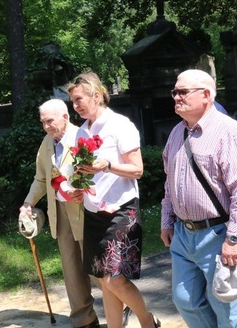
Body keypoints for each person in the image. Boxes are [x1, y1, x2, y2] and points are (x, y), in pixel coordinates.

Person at [161, 69, 237, 327]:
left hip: (217, 233)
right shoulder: (176, 133)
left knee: (226, 306)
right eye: (174, 92)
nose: (176, 97)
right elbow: (169, 182)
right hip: (183, 235)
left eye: (182, 92)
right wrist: (166, 221)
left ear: (206, 95)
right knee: (185, 300)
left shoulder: (229, 131)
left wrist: (234, 237)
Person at [67, 72, 160, 328]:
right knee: (104, 281)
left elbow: (137, 170)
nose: (75, 106)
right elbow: (85, 173)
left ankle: (147, 322)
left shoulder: (120, 125)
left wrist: (107, 165)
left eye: (78, 99)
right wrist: (79, 188)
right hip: (93, 212)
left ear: (96, 96)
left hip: (122, 210)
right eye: (73, 101)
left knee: (114, 280)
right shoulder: (81, 132)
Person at [20, 99, 99, 328]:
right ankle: (84, 320)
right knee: (71, 268)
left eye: (50, 121)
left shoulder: (82, 136)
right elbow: (41, 178)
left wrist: (82, 190)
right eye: (43, 122)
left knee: (95, 267)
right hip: (60, 212)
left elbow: (97, 174)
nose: (46, 126)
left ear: (65, 117)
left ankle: (125, 305)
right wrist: (28, 203)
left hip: (85, 211)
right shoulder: (46, 143)